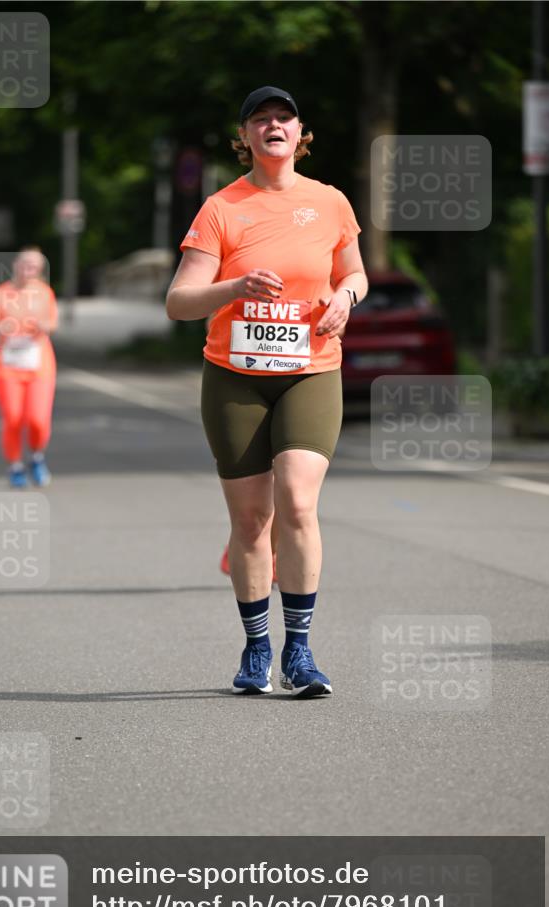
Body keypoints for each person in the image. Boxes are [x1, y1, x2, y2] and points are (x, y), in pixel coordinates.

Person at [167, 85, 367, 698]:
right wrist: (233, 288)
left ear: (300, 132)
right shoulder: (222, 208)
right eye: (261, 120)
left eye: (284, 117)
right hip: (235, 377)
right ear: (246, 136)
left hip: (311, 368)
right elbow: (179, 301)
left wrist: (346, 297)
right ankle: (257, 650)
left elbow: (353, 270)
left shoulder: (330, 202)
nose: (273, 126)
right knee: (252, 519)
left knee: (299, 503)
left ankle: (299, 652)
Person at [0, 247, 58, 488]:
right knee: (13, 418)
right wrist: (0, 327)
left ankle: (36, 455)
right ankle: (15, 465)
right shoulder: (0, 294)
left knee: (37, 420)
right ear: (15, 265)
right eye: (24, 265)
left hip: (39, 366)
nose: (28, 271)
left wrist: (40, 325)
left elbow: (52, 324)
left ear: (40, 271)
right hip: (8, 367)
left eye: (33, 267)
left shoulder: (45, 293)